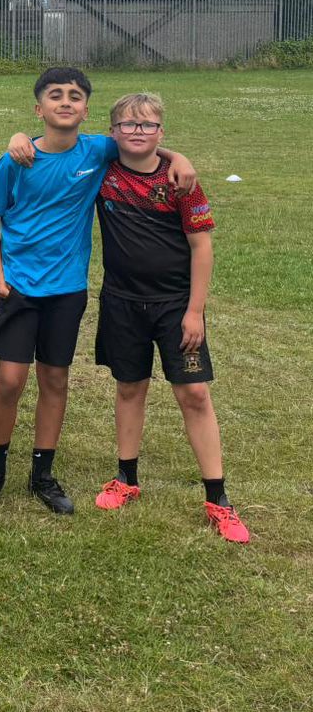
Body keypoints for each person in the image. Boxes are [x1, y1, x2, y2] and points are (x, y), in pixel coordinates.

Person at [0, 66, 195, 515]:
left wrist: (179, 157)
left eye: (75, 95)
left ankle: (43, 473)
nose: (66, 101)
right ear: (40, 109)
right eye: (55, 95)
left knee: (55, 378)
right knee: (10, 380)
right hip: (19, 288)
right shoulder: (17, 159)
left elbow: (141, 141)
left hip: (68, 289)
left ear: (86, 110)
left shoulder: (98, 149)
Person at [91, 92, 249, 542]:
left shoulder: (181, 181)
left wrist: (195, 311)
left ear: (161, 132)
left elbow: (202, 245)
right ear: (112, 131)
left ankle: (219, 499)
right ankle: (126, 479)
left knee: (194, 394)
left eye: (147, 125)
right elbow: (64, 144)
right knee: (129, 387)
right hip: (121, 302)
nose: (137, 132)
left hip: (176, 306)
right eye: (127, 124)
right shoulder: (102, 172)